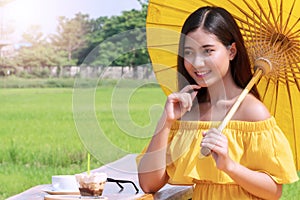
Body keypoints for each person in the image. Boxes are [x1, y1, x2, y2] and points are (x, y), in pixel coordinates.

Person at [137, 6, 299, 199]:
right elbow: (149, 184)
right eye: (189, 52)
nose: (197, 63)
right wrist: (166, 122)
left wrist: (229, 166)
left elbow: (274, 191)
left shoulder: (252, 112)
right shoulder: (187, 110)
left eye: (208, 51)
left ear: (232, 51)